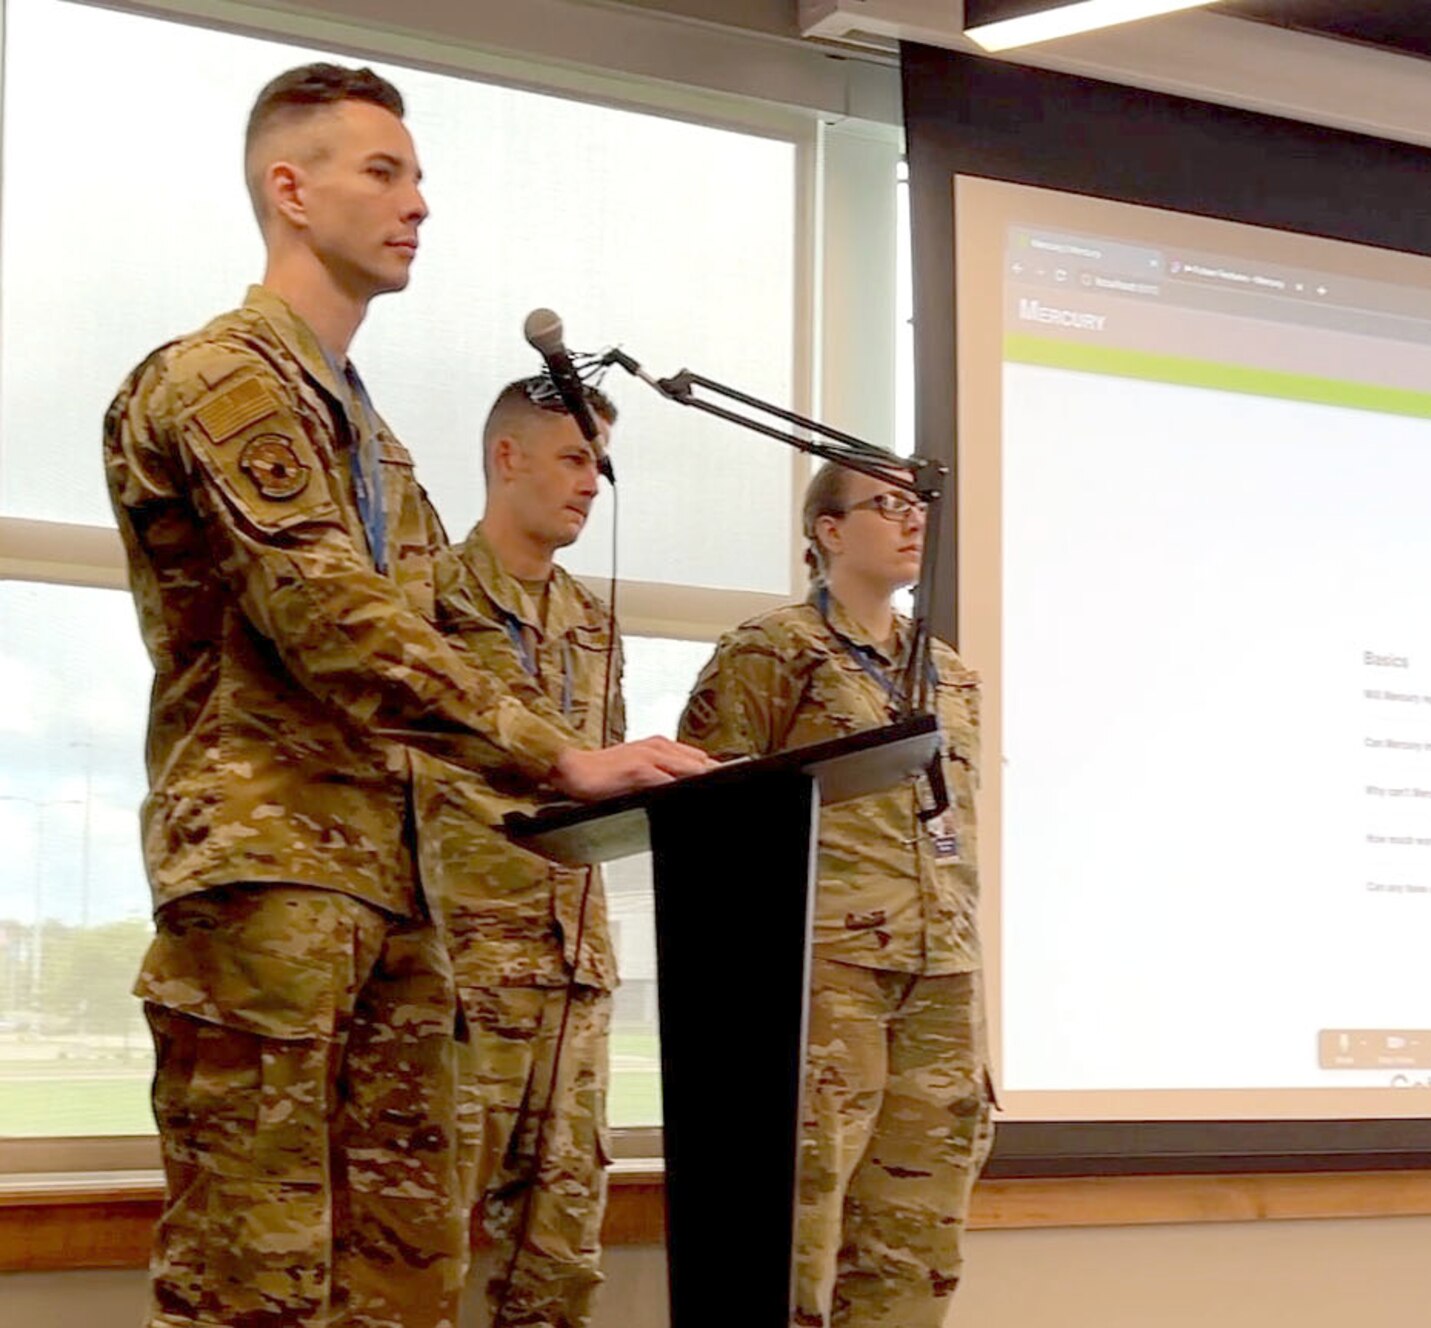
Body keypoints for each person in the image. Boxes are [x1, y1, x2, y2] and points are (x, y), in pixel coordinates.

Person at [102, 64, 710, 1328]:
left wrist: (624, 771)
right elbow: (334, 620)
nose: (417, 202)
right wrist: (557, 757)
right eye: (383, 172)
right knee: (253, 1283)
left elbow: (448, 629)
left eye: (420, 176)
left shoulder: (374, 441)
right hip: (273, 879)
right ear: (290, 186)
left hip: (405, 888)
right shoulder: (224, 378)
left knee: (405, 1280)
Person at [679, 462, 992, 1328]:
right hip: (828, 972)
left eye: (917, 505)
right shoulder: (771, 650)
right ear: (827, 531)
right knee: (798, 1219)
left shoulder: (952, 675)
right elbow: (711, 818)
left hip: (943, 975)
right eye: (886, 505)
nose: (911, 521)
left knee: (918, 1238)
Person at [421, 376, 628, 1328]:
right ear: (508, 459)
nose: (594, 484)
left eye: (602, 464)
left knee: (558, 1262)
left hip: (573, 970)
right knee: (416, 1243)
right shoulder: (421, 598)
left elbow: (606, 776)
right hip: (455, 967)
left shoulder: (594, 622)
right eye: (577, 458)